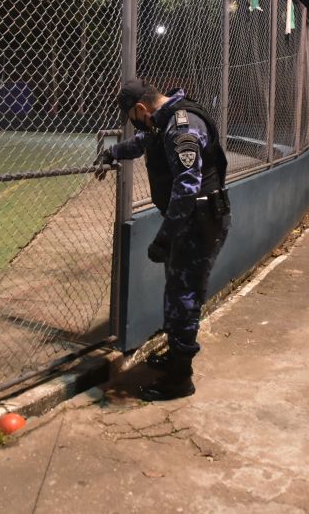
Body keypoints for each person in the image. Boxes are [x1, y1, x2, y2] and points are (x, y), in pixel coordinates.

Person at [94, 79, 231, 401]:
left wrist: (165, 238)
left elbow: (188, 186)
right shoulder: (165, 120)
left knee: (184, 297)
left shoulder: (182, 126)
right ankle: (175, 356)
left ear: (141, 108)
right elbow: (144, 142)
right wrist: (112, 152)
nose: (136, 123)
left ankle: (180, 379)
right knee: (176, 292)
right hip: (189, 220)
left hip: (198, 222)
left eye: (133, 116)